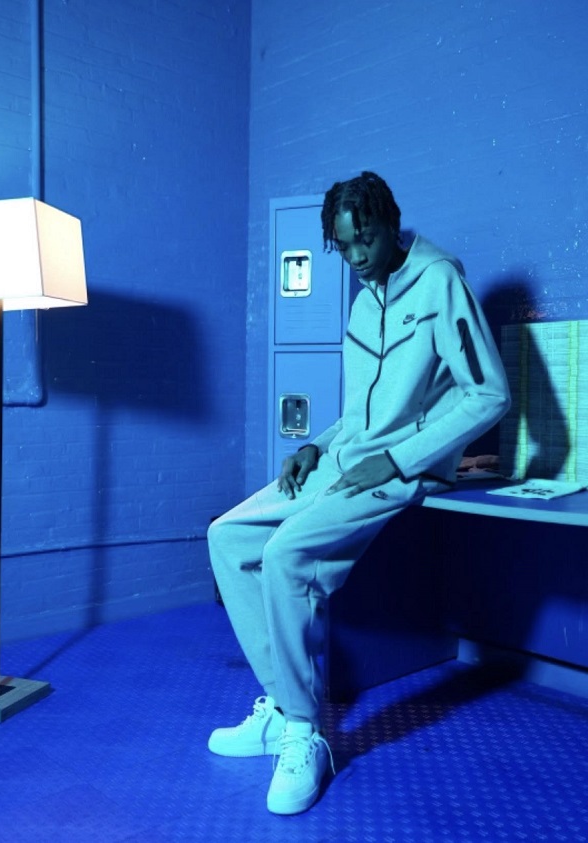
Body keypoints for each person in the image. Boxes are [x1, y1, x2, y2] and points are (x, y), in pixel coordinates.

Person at [207, 171, 511, 815]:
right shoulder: (363, 299)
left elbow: (488, 394)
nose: (355, 257)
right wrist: (318, 445)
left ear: (391, 225)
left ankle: (304, 733)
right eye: (343, 246)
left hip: (401, 469)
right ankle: (283, 709)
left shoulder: (440, 284)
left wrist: (396, 459)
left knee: (287, 554)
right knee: (227, 536)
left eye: (363, 240)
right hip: (346, 458)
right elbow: (361, 415)